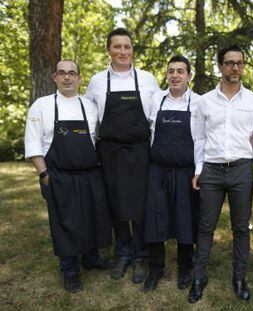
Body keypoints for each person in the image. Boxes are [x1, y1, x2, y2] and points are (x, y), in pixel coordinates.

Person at [188, 45, 253, 303]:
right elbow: (199, 139)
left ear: (243, 66)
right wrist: (199, 170)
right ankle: (199, 277)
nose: (235, 67)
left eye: (239, 63)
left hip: (241, 170)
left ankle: (239, 278)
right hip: (212, 171)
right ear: (220, 66)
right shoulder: (204, 102)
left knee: (241, 228)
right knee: (205, 227)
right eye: (229, 63)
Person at [24, 60, 113, 293]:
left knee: (91, 217)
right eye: (62, 73)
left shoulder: (90, 106)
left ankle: (91, 259)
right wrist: (44, 174)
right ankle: (70, 269)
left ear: (79, 78)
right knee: (66, 222)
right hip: (58, 175)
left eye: (72, 73)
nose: (67, 78)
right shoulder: (41, 106)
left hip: (90, 173)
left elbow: (100, 139)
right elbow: (33, 143)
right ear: (55, 77)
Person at [85, 28, 160, 284]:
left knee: (139, 205)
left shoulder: (147, 79)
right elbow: (91, 121)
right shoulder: (96, 81)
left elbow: (155, 119)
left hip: (139, 150)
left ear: (132, 50)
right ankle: (123, 253)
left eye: (127, 47)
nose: (122, 52)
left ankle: (141, 255)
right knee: (114, 203)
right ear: (108, 50)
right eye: (117, 47)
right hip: (109, 151)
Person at [142, 55, 200, 291]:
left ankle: (185, 268)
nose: (175, 75)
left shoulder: (199, 102)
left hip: (187, 170)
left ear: (189, 75)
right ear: (166, 75)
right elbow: (144, 131)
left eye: (180, 71)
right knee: (155, 219)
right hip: (157, 169)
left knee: (186, 220)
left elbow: (206, 138)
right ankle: (155, 269)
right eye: (171, 71)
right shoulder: (155, 100)